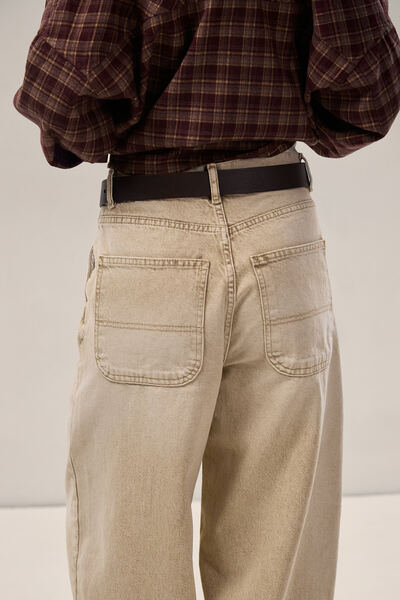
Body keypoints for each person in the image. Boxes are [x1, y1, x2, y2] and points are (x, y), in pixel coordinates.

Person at [13, 1, 400, 599]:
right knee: (278, 565)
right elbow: (369, 96)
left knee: (131, 555)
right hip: (282, 236)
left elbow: (67, 105)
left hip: (156, 237)